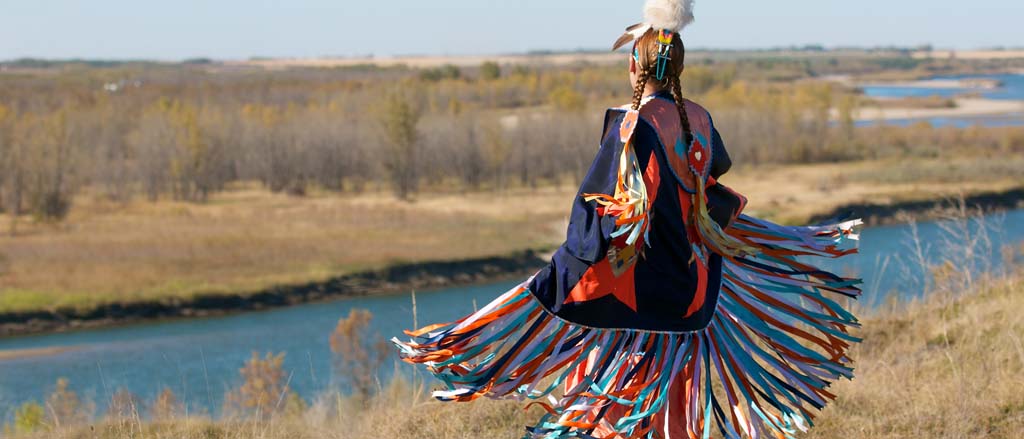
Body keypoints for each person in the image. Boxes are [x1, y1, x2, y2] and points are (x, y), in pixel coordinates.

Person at [393, 1, 863, 437]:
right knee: (671, 401)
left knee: (616, 404)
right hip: (690, 286)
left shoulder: (633, 126)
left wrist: (562, 271)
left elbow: (599, 213)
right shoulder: (697, 117)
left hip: (640, 293)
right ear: (678, 66)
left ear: (634, 65)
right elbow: (714, 170)